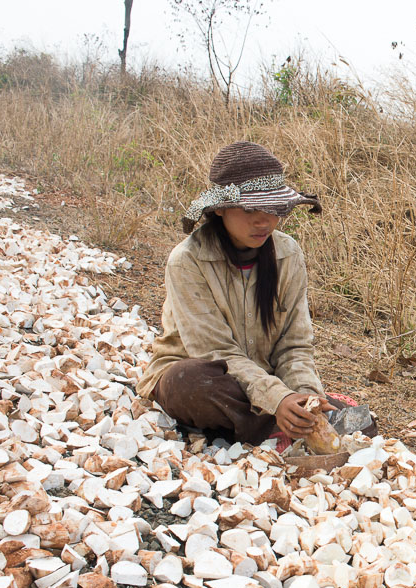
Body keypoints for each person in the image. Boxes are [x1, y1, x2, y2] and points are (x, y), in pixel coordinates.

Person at [136, 141, 373, 448]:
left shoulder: (288, 254)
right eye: (251, 209)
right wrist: (279, 398)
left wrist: (306, 395)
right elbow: (213, 351)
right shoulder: (188, 260)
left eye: (273, 209)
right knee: (189, 383)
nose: (264, 220)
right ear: (219, 208)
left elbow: (294, 344)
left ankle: (274, 428)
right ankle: (276, 429)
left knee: (364, 425)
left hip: (266, 379)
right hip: (212, 375)